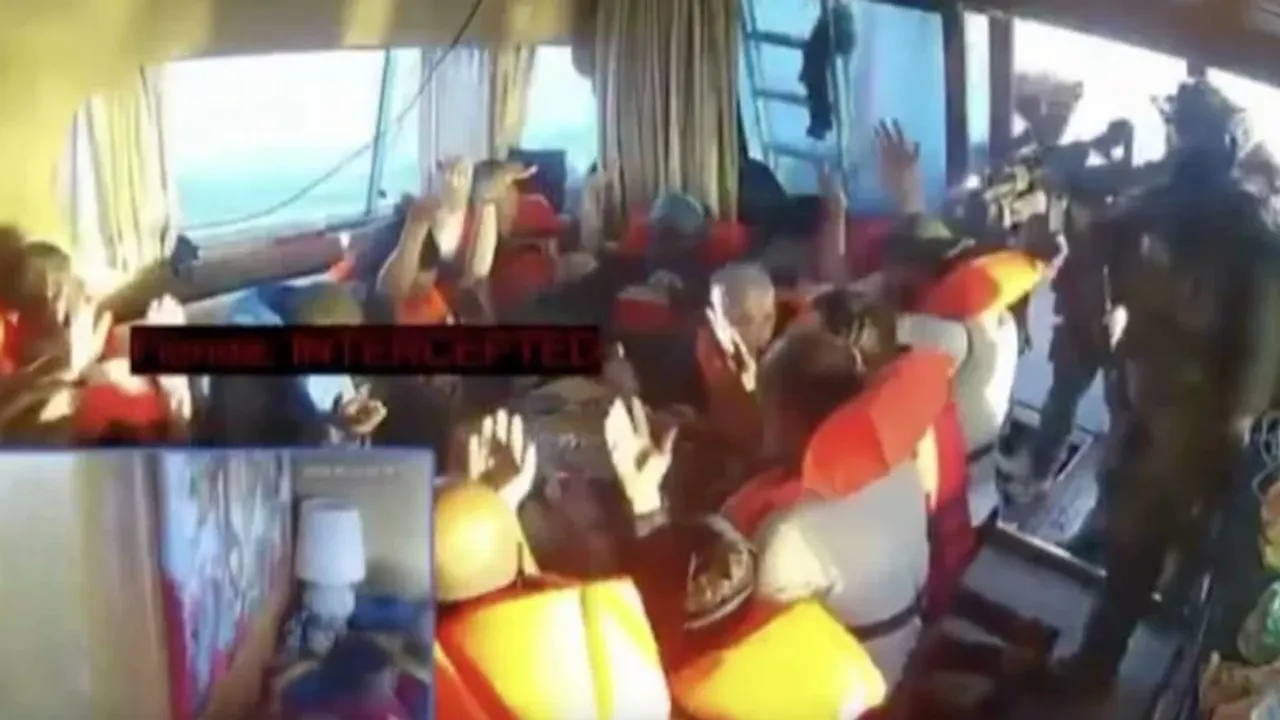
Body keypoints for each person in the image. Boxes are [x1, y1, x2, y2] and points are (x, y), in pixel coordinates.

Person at [1047, 79, 1280, 701]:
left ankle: (1102, 667)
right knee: (1135, 523)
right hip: (1147, 398)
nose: (1179, 146)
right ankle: (1147, 625)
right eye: (1178, 133)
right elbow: (1091, 216)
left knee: (1146, 548)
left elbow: (1259, 356)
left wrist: (1234, 432)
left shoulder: (1254, 238)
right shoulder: (1158, 204)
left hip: (1199, 420)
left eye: (1187, 135)